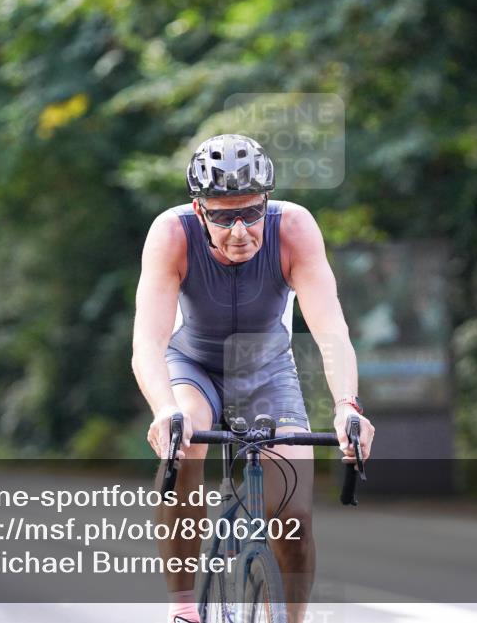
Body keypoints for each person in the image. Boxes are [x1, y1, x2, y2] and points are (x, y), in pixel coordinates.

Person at [132, 134, 376, 623]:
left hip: (266, 371)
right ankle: (184, 608)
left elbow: (331, 330)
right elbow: (148, 345)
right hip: (194, 367)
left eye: (251, 212)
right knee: (185, 443)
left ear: (267, 201)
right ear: (199, 210)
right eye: (223, 217)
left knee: (295, 517)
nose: (240, 231)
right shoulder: (171, 233)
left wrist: (347, 406)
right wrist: (165, 410)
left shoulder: (294, 228)